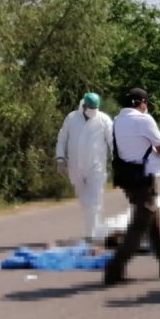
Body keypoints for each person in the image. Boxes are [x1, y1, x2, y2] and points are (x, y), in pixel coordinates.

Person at [103, 87, 160, 286]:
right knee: (139, 227)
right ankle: (114, 268)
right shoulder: (143, 120)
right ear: (141, 102)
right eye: (146, 103)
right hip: (143, 177)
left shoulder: (117, 121)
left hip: (127, 177)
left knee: (155, 220)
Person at [55, 92, 113, 242]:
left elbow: (112, 141)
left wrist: (118, 160)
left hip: (96, 167)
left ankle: (90, 236)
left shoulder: (104, 119)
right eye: (90, 108)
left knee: (94, 201)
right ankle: (97, 229)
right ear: (84, 106)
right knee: (85, 201)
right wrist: (60, 158)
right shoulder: (72, 118)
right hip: (75, 166)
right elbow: (62, 138)